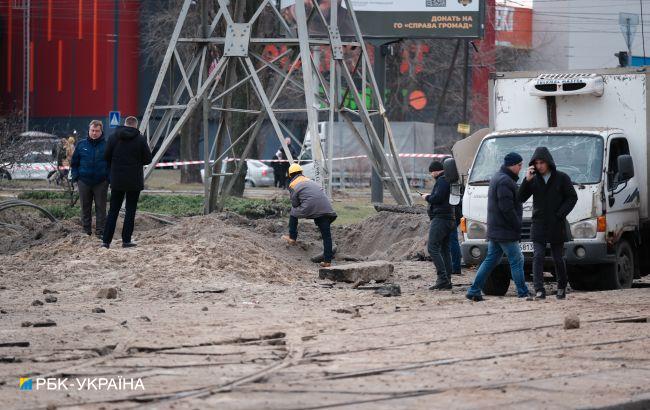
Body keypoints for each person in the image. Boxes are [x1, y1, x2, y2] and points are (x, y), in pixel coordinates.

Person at [466, 153, 531, 302]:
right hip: (504, 230)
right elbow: (506, 208)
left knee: (491, 260)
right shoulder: (504, 181)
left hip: (497, 229)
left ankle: (474, 290)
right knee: (517, 259)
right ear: (513, 165)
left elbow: (515, 200)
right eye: (520, 165)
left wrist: (527, 182)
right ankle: (523, 292)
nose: (521, 168)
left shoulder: (500, 178)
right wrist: (516, 226)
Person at [519, 147, 578, 300]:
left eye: (542, 162)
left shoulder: (561, 178)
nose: (539, 166)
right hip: (538, 224)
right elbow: (520, 198)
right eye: (536, 163)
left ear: (548, 162)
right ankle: (539, 290)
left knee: (557, 257)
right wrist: (526, 180)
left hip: (556, 224)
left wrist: (560, 214)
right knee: (537, 256)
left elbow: (572, 197)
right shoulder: (534, 179)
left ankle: (561, 287)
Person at [101, 116, 152, 249]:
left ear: (125, 124)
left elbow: (106, 156)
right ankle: (126, 240)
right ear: (136, 126)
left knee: (113, 210)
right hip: (134, 180)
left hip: (117, 180)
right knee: (130, 211)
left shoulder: (113, 137)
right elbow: (148, 159)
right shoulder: (140, 139)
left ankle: (106, 241)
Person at [281, 163, 337, 267]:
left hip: (310, 208)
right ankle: (327, 261)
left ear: (290, 175)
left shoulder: (293, 184)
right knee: (326, 236)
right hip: (326, 208)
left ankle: (292, 237)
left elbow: (295, 203)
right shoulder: (310, 181)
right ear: (301, 172)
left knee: (293, 211)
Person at [70, 120, 109, 237]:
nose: (94, 133)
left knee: (101, 208)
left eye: (97, 131)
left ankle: (100, 232)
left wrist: (109, 178)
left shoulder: (107, 145)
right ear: (89, 130)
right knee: (85, 207)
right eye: (92, 130)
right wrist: (76, 177)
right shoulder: (81, 145)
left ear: (101, 131)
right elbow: (74, 163)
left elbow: (111, 163)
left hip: (101, 182)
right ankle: (86, 231)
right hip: (84, 181)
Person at [422, 161, 456, 290]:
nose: (431, 174)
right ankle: (447, 280)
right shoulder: (448, 179)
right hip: (449, 218)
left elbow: (438, 198)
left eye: (431, 172)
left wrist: (427, 197)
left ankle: (442, 279)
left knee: (432, 248)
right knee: (445, 250)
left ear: (436, 170)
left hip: (441, 218)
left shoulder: (442, 181)